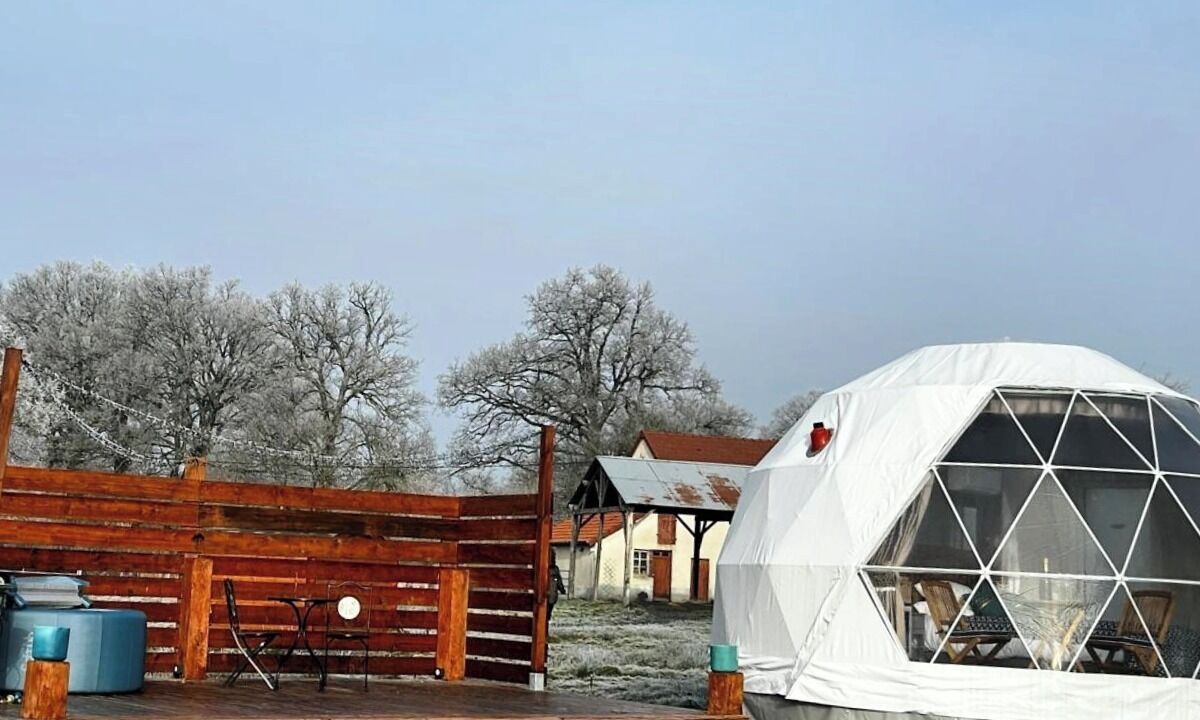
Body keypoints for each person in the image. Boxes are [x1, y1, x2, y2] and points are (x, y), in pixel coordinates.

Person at [547, 555, 566, 623]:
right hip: (552, 594)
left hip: (548, 593)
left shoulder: (547, 567)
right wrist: (562, 589)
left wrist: (562, 589)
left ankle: (546, 619)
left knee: (547, 608)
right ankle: (547, 618)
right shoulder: (555, 569)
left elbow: (558, 580)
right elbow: (559, 581)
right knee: (549, 608)